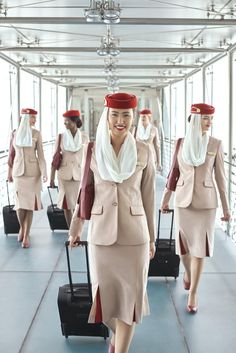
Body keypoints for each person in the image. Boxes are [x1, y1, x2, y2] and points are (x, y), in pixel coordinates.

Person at [68, 93, 156, 353]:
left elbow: (149, 196)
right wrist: (76, 228)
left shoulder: (143, 149)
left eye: (126, 115)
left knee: (130, 301)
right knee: (104, 302)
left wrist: (151, 237)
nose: (120, 120)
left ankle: (121, 349)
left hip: (135, 236)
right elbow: (85, 190)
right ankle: (118, 337)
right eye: (115, 114)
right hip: (102, 234)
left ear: (132, 117)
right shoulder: (92, 149)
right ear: (106, 117)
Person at [160, 103, 231, 313]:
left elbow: (221, 178)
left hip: (206, 204)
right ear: (195, 119)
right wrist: (165, 199)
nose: (209, 123)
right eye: (205, 119)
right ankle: (189, 274)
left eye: (211, 119)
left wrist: (226, 209)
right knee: (183, 249)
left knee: (200, 250)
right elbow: (173, 173)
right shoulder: (181, 143)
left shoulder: (216, 144)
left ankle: (193, 292)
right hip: (183, 202)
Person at [7, 108, 47, 248]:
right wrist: (8, 172)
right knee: (19, 206)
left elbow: (41, 156)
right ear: (25, 118)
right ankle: (22, 227)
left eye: (35, 118)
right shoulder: (15, 134)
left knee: (30, 205)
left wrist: (44, 172)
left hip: (33, 173)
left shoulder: (36, 133)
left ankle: (26, 234)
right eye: (32, 118)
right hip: (18, 173)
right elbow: (11, 155)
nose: (35, 120)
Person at [50, 109, 89, 227]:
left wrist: (91, 177)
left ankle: (76, 230)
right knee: (66, 205)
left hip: (79, 174)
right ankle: (71, 231)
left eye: (67, 122)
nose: (65, 124)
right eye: (64, 122)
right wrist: (51, 178)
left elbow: (88, 158)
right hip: (64, 174)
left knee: (78, 205)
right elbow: (55, 158)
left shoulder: (84, 137)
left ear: (75, 122)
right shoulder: (61, 137)